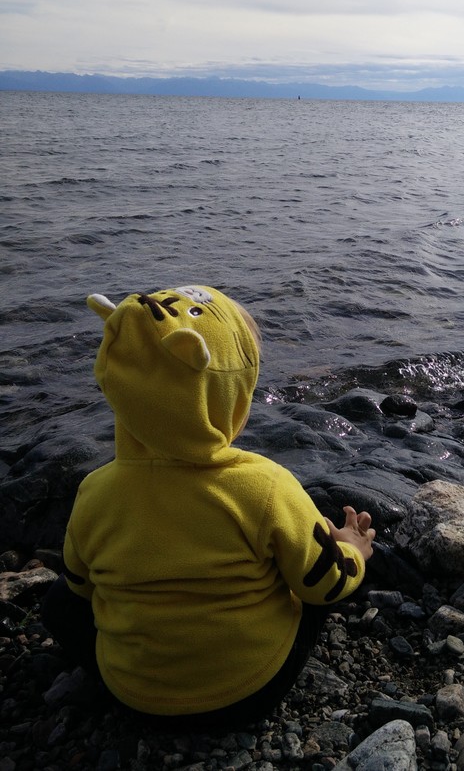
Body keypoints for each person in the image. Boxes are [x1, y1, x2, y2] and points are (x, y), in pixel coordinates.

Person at [42, 284, 375, 728]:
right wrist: (352, 549)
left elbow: (81, 587)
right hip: (250, 692)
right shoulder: (265, 485)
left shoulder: (94, 492)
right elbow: (324, 585)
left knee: (57, 601)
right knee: (307, 582)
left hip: (132, 697)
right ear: (233, 391)